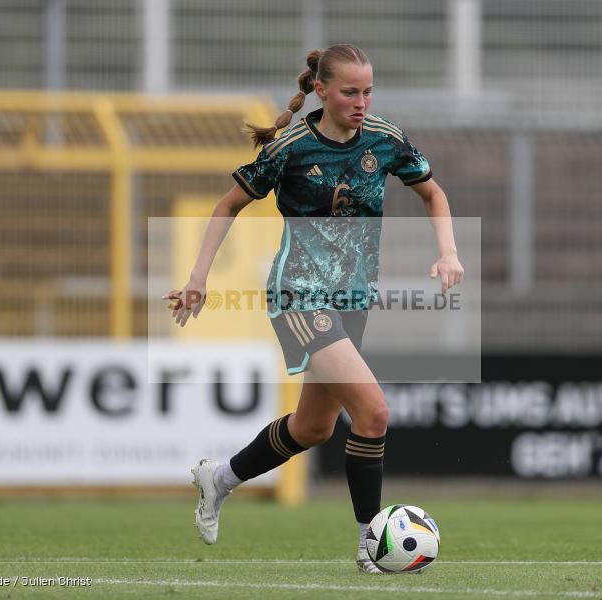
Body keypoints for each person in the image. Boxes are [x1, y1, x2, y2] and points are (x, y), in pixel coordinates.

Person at [166, 43, 463, 573]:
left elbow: (433, 194)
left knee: (313, 428)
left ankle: (219, 478)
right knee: (373, 412)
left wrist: (449, 253)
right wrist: (197, 278)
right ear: (321, 90)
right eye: (350, 92)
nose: (361, 102)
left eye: (368, 92)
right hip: (299, 295)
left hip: (352, 298)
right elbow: (228, 205)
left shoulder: (385, 139)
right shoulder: (292, 148)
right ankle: (371, 545)